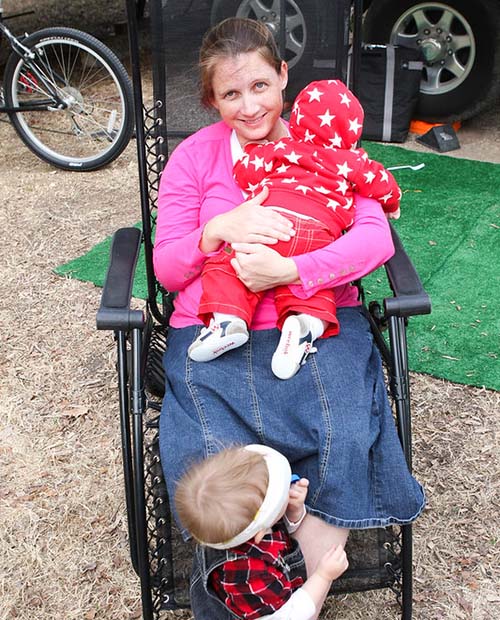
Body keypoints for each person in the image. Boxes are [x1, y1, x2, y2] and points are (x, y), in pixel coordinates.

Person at [153, 16, 425, 620]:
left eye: (259, 86)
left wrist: (290, 273)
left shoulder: (324, 147)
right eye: (230, 94)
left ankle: (305, 590)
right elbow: (169, 268)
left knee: (343, 428)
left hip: (316, 317)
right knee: (208, 456)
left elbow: (374, 244)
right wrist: (215, 230)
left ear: (283, 77)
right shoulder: (196, 159)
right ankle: (247, 598)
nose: (249, 107)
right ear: (211, 99)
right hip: (212, 325)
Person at [188, 78, 402, 379]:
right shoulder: (354, 161)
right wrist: (392, 204)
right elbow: (383, 184)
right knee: (313, 285)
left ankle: (228, 320)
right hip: (319, 234)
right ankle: (303, 326)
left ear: (297, 118)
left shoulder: (281, 148)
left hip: (273, 223)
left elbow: (246, 172)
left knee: (229, 266)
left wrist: (252, 174)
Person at [175, 444, 349, 619]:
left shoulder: (233, 529)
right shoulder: (251, 575)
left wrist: (293, 512)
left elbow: (277, 533)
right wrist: (323, 575)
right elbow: (290, 614)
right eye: (281, 496)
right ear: (259, 534)